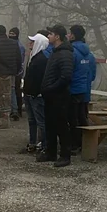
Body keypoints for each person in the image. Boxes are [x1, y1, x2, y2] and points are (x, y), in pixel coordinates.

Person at [37, 25, 74, 167]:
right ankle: (51, 152)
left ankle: (65, 156)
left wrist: (51, 88)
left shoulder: (65, 53)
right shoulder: (55, 52)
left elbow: (66, 77)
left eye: (51, 34)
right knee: (50, 125)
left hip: (59, 97)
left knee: (61, 126)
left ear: (57, 36)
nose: (48, 36)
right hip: (50, 96)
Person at [67, 24, 96, 153]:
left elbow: (68, 71)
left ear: (73, 35)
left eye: (69, 33)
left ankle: (75, 144)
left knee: (73, 118)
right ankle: (84, 143)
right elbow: (93, 75)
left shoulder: (72, 52)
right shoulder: (89, 54)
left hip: (73, 89)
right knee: (82, 116)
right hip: (85, 90)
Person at [21, 33, 49, 153]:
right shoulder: (33, 57)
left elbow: (42, 79)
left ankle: (44, 145)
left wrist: (38, 92)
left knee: (40, 122)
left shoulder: (41, 60)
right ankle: (32, 143)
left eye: (32, 42)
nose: (30, 44)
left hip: (36, 96)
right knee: (32, 120)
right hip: (29, 94)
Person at [8, 27, 26, 121]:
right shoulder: (14, 44)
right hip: (15, 70)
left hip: (17, 72)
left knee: (16, 91)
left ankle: (17, 110)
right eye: (10, 33)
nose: (10, 35)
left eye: (13, 34)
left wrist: (17, 70)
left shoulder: (19, 46)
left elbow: (20, 60)